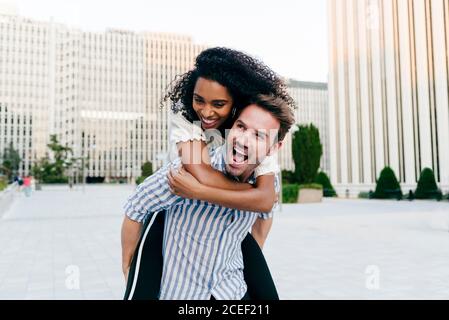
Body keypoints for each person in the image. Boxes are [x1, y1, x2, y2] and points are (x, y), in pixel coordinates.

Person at [122, 48, 294, 300]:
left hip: (230, 293)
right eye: (241, 128)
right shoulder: (186, 159)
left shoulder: (266, 169)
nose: (206, 111)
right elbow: (137, 204)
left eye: (258, 135)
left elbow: (265, 207)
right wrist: (128, 267)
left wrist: (203, 194)